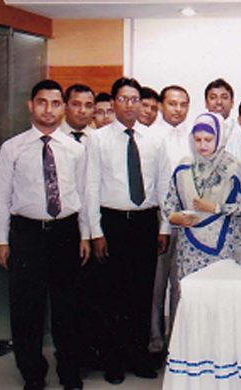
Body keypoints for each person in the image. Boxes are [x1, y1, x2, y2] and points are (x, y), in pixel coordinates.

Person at [0, 79, 89, 390]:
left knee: (68, 307)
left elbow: (83, 195)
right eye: (42, 102)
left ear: (63, 107)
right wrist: (2, 240)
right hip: (26, 234)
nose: (49, 109)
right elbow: (1, 197)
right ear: (31, 106)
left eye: (56, 103)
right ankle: (33, 373)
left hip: (66, 233)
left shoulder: (75, 149)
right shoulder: (12, 148)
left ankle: (69, 370)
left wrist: (85, 235)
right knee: (27, 309)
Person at [85, 77, 170, 383]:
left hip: (146, 222)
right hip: (112, 222)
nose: (130, 105)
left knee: (141, 294)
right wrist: (95, 232)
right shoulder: (98, 139)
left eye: (135, 99)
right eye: (124, 99)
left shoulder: (154, 140)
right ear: (114, 102)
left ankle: (139, 357)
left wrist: (164, 227)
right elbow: (91, 186)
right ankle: (114, 362)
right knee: (112, 296)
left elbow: (163, 186)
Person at [164, 112, 241, 276]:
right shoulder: (184, 168)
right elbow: (169, 204)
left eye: (208, 140)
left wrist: (217, 208)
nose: (202, 145)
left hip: (224, 247)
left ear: (219, 138)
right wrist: (173, 217)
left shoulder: (232, 168)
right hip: (189, 248)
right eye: (198, 140)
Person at [147, 84, 192, 362]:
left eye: (183, 104)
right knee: (155, 284)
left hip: (187, 222)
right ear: (162, 105)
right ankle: (154, 342)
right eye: (172, 103)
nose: (178, 109)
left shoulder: (193, 137)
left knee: (180, 285)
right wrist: (164, 222)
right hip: (157, 220)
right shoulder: (149, 137)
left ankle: (176, 344)